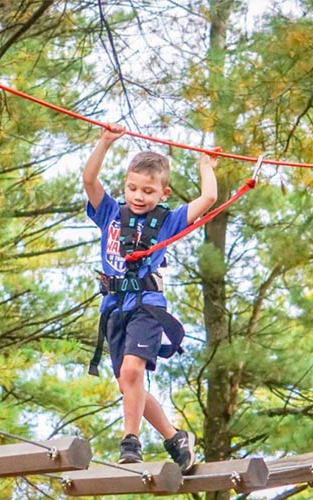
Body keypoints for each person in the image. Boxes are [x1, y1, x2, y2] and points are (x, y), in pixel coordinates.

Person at [82, 122, 218, 473]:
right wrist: (105, 143)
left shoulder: (168, 221)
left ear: (163, 192)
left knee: (131, 371)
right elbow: (89, 181)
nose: (139, 196)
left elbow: (208, 200)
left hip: (146, 307)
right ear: (124, 185)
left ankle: (131, 442)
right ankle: (175, 438)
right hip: (113, 309)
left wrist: (206, 168)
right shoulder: (110, 214)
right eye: (132, 188)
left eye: (147, 190)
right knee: (130, 384)